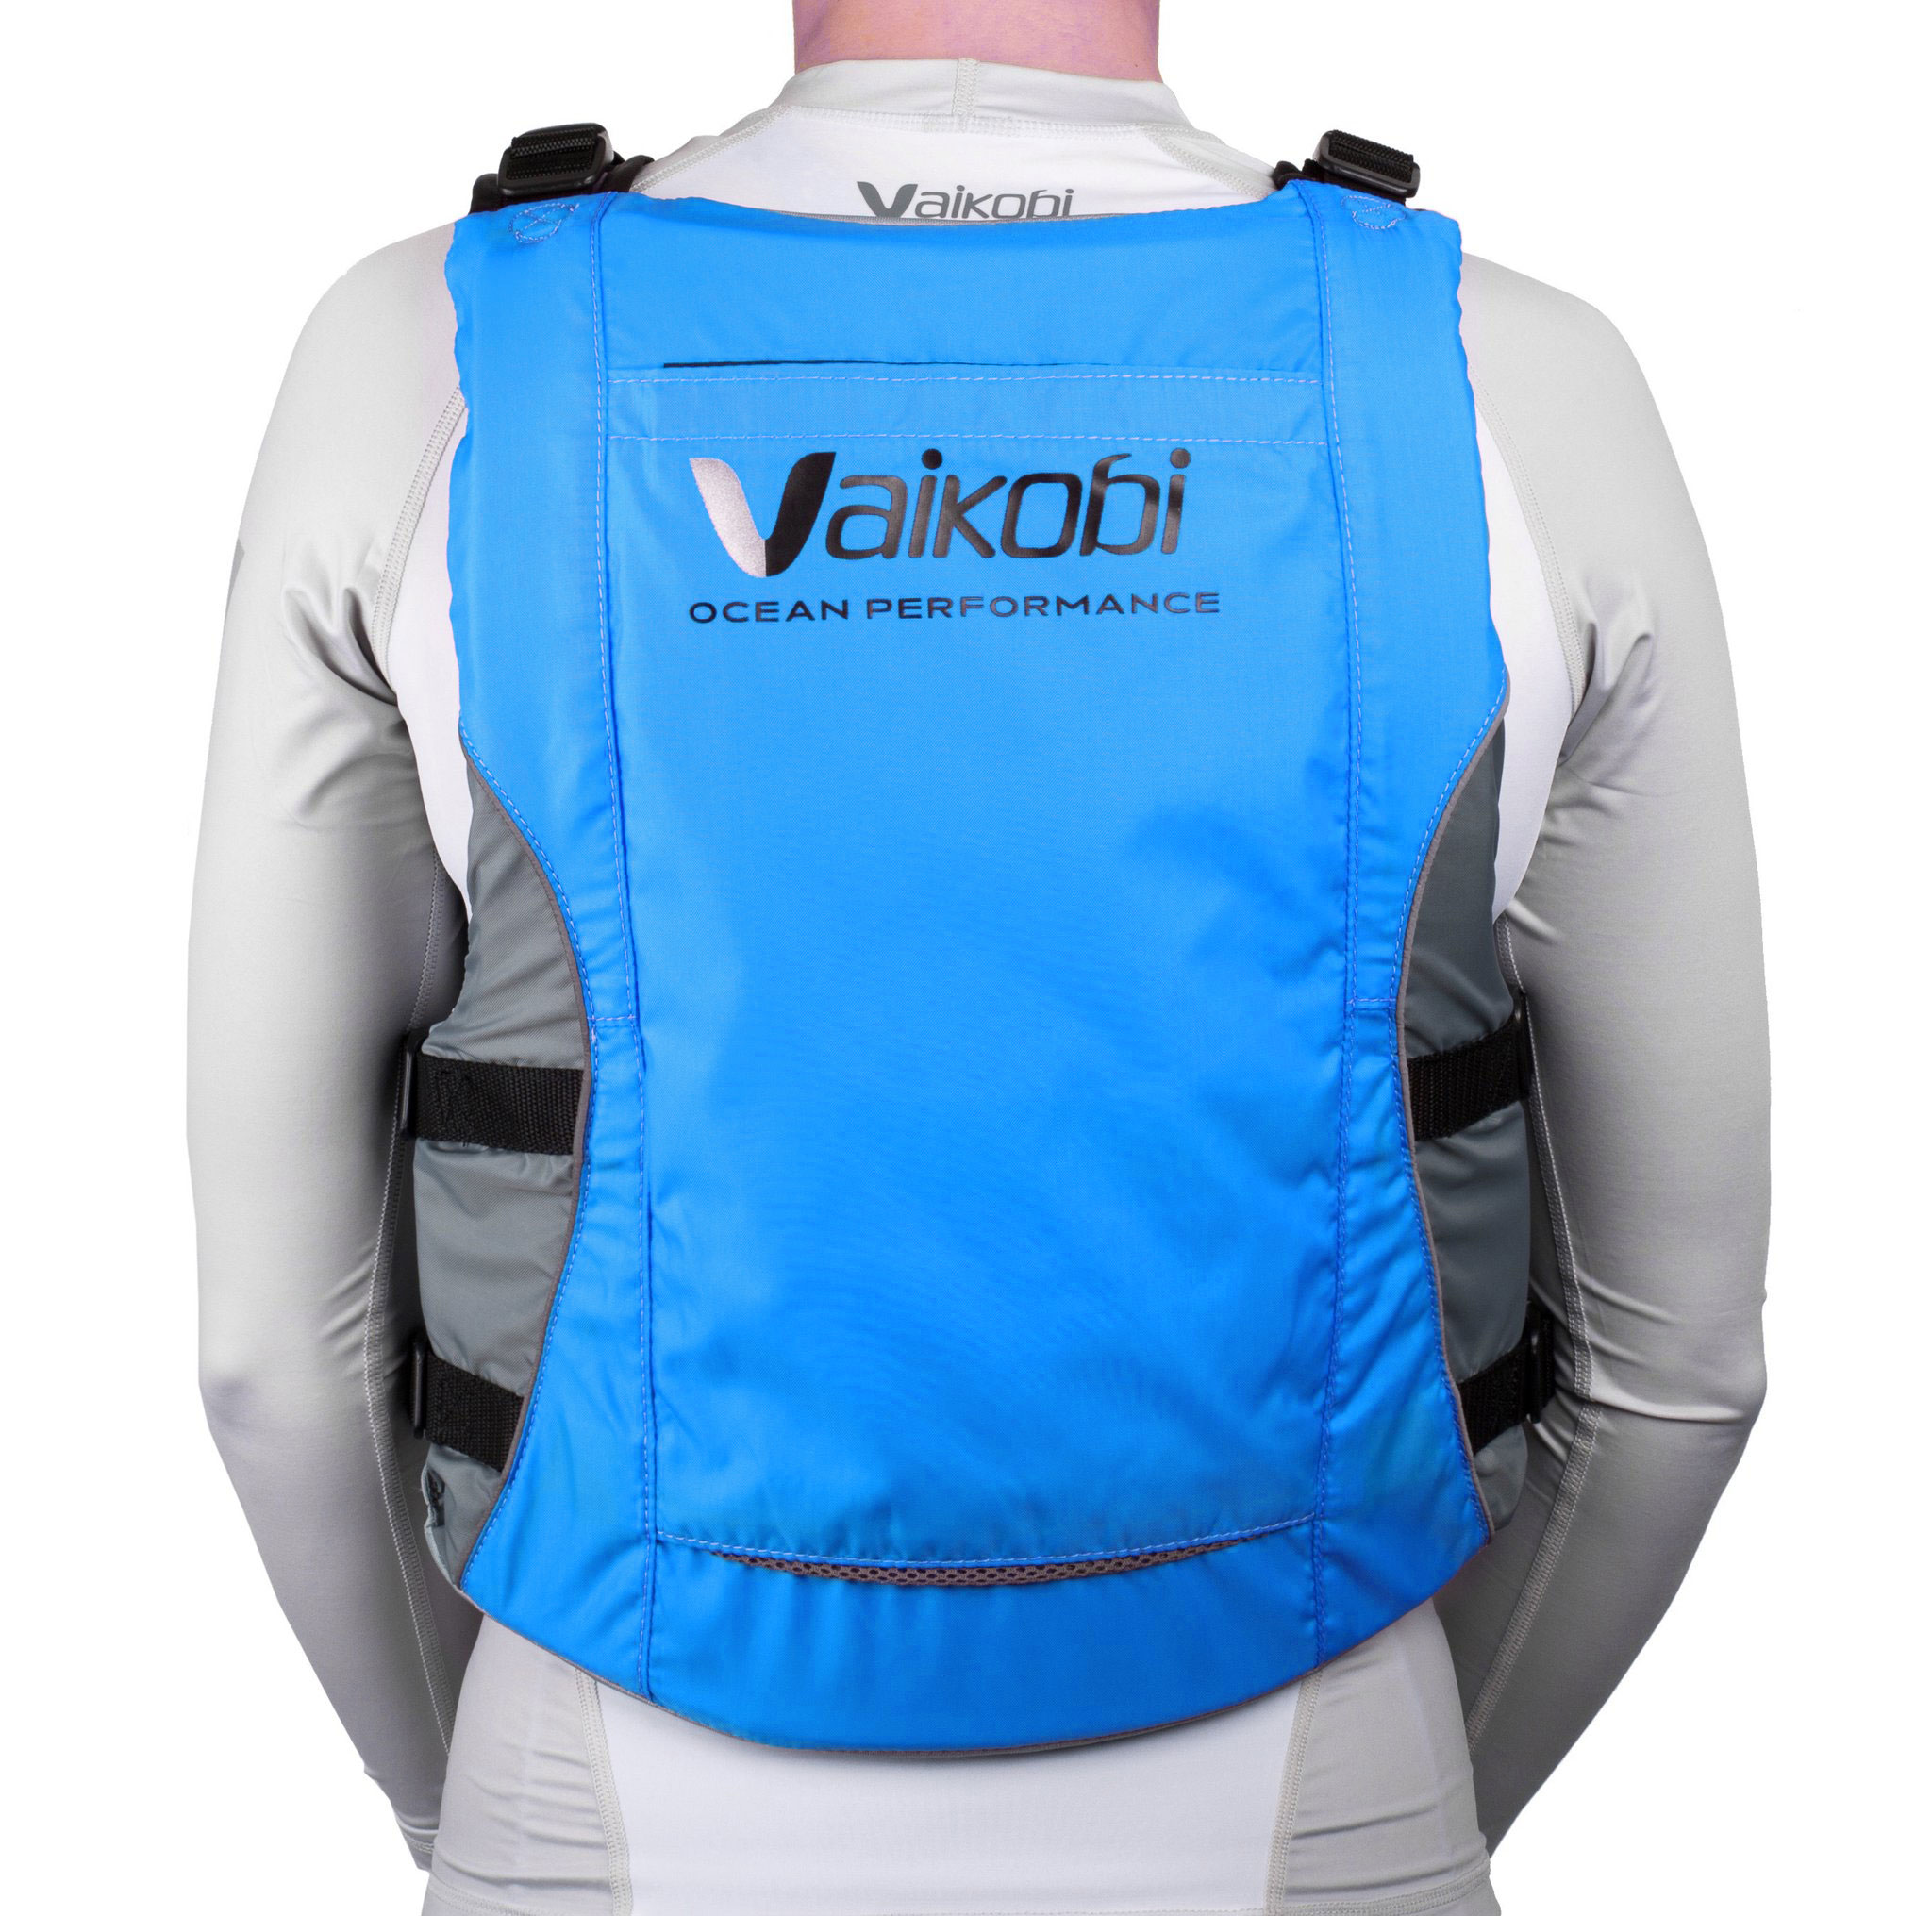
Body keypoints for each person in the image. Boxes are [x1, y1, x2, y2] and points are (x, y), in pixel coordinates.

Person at [189, 4, 1770, 1910]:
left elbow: (277, 1360)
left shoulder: (423, 360)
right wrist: (1426, 1795)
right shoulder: (1513, 380)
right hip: (1318, 1792)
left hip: (598, 1793)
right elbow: (1675, 1373)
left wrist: (463, 1817)